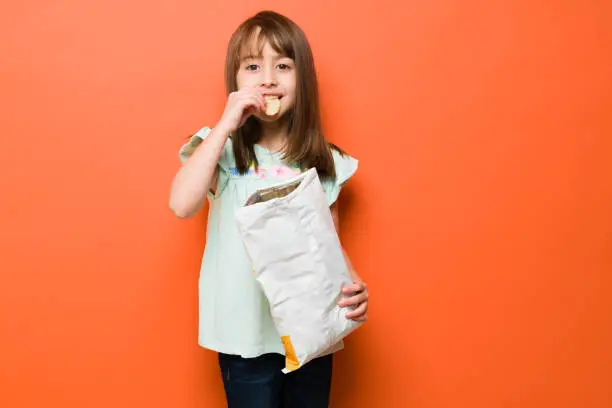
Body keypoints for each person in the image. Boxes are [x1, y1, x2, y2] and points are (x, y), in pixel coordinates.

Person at [169, 10, 369, 408]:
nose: (268, 79)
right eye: (253, 66)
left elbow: (329, 242)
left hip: (311, 331)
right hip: (244, 336)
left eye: (283, 66)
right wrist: (225, 125)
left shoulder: (322, 160)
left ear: (303, 80)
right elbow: (180, 203)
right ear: (235, 80)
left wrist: (355, 285)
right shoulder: (222, 152)